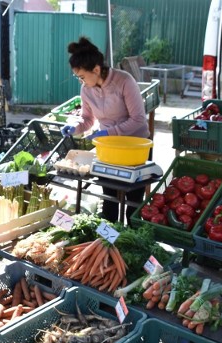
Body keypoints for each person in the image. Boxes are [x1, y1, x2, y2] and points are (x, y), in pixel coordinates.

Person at [61, 37, 150, 223]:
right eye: (78, 77)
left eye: (82, 76)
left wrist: (108, 133)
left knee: (133, 205)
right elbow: (87, 120)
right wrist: (75, 128)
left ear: (96, 69)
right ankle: (109, 243)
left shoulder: (124, 81)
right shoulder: (86, 90)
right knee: (109, 202)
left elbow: (138, 120)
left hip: (135, 149)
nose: (81, 81)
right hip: (108, 150)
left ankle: (132, 242)